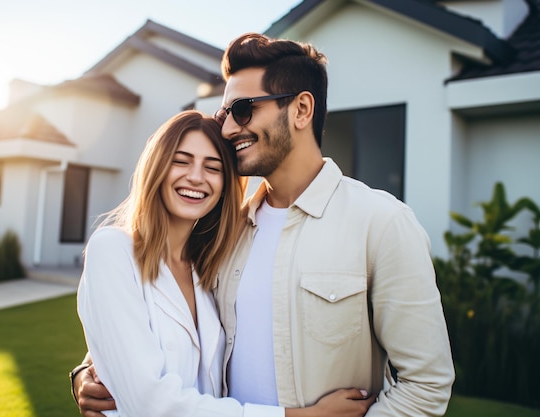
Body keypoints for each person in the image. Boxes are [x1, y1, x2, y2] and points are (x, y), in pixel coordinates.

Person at [74, 32, 455, 416]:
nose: (226, 129)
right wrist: (91, 371)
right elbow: (153, 323)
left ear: (301, 110)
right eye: (224, 115)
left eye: (242, 110)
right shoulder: (224, 233)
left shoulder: (381, 223)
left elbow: (426, 384)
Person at [75, 109, 375, 417]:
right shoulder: (113, 249)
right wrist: (303, 416)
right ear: (156, 168)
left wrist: (87, 371)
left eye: (213, 167)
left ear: (225, 185)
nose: (196, 177)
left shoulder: (207, 267)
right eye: (181, 160)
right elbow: (148, 403)